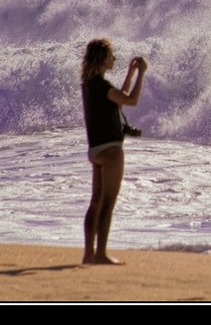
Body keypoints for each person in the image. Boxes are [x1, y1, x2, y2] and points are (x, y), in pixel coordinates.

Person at [80, 38, 147, 265]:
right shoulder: (103, 87)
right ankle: (101, 254)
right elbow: (131, 100)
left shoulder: (90, 84)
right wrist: (142, 74)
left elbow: (118, 100)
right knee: (108, 202)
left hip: (95, 150)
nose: (114, 58)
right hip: (111, 150)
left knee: (96, 201)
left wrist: (129, 73)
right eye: (111, 55)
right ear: (102, 58)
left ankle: (89, 253)